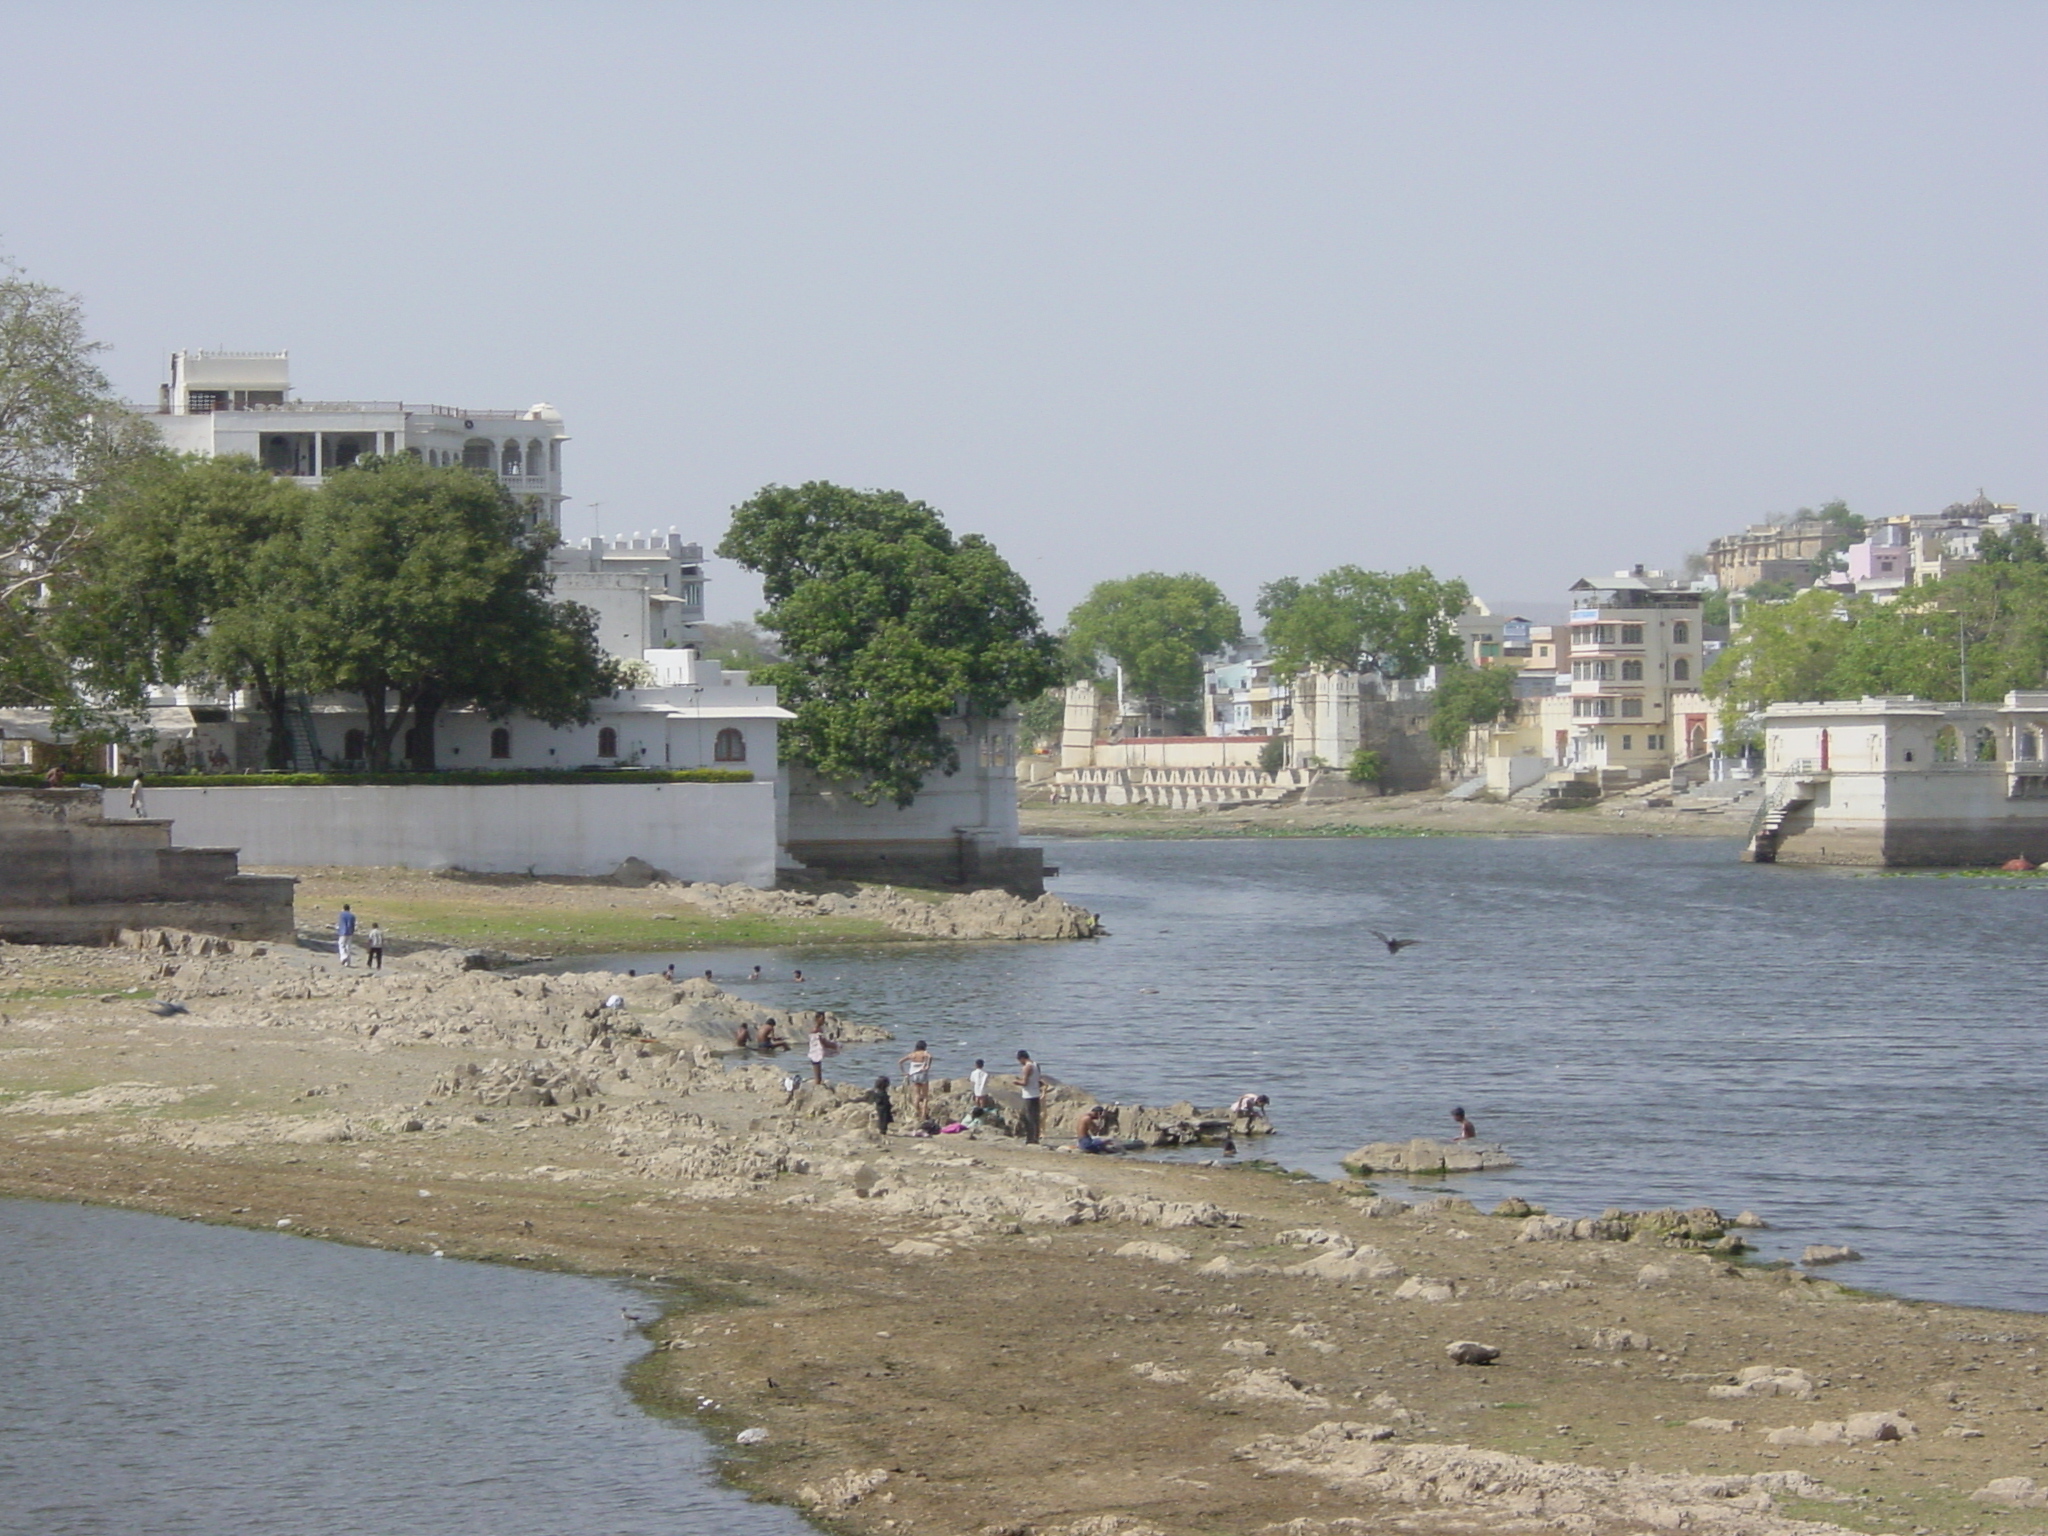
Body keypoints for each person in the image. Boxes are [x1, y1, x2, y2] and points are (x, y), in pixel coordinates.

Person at [898, 1040, 934, 1118]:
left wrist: (904, 1072)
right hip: (923, 1074)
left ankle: (916, 1112)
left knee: (917, 1095)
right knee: (925, 1096)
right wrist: (928, 1066)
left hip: (914, 1075)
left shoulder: (912, 1055)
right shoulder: (924, 1053)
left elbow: (900, 1061)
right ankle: (923, 1114)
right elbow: (930, 1057)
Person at [1015, 1049, 1043, 1145]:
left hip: (1029, 1095)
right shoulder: (1036, 1065)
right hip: (1036, 1094)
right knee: (1035, 1118)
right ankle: (1035, 1137)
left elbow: (1025, 1082)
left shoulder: (1027, 1067)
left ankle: (1030, 1139)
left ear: (1022, 1058)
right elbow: (1038, 1080)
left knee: (1028, 1118)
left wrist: (1016, 1082)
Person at [807, 1017, 829, 1085]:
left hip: (815, 1053)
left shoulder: (816, 1029)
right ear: (817, 1019)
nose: (823, 1021)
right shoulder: (816, 1030)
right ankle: (815, 1090)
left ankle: (816, 1086)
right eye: (822, 1019)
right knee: (818, 1078)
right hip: (815, 1054)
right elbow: (822, 1042)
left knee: (818, 1076)